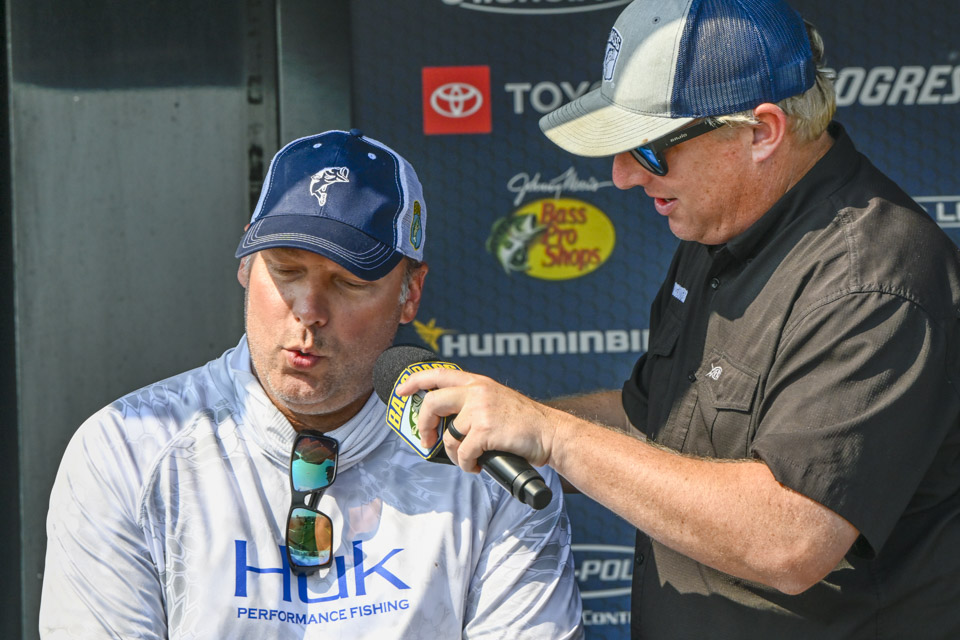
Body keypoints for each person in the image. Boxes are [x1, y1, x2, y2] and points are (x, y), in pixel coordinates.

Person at [397, 1, 960, 638]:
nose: (622, 175)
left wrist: (553, 435)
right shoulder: (722, 225)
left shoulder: (872, 279)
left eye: (649, 148)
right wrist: (506, 422)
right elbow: (652, 419)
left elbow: (793, 538)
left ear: (762, 132)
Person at [39, 130, 583, 639]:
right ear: (246, 265)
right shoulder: (126, 449)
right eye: (285, 270)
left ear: (410, 293)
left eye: (348, 282)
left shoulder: (490, 469)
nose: (309, 310)